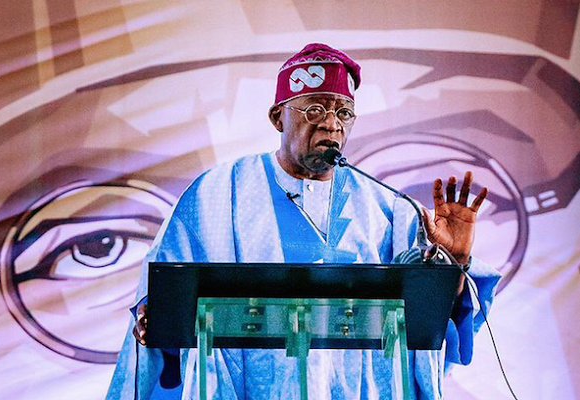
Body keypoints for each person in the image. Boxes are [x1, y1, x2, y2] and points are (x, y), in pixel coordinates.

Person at [106, 43, 501, 400]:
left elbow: (431, 322)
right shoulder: (217, 194)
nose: (331, 124)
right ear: (277, 117)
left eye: (343, 113)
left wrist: (455, 263)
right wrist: (154, 318)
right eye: (314, 110)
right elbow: (161, 303)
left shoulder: (388, 208)